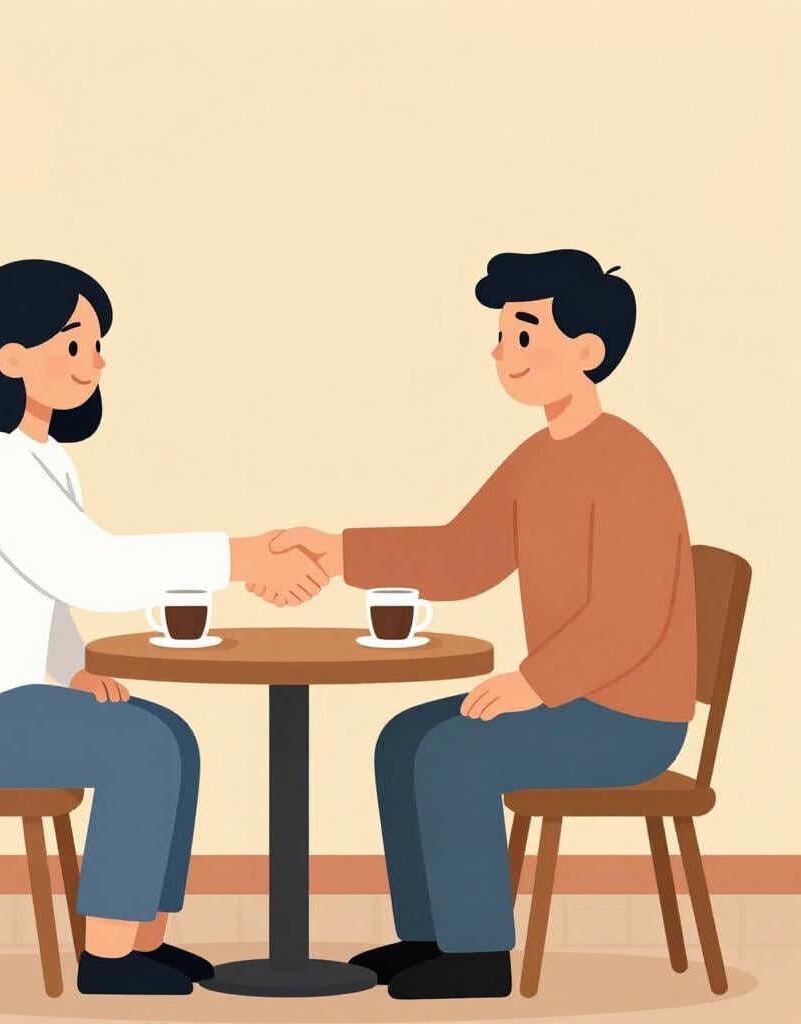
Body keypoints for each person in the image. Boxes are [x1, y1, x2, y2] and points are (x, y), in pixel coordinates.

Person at [263, 250, 696, 999]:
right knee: (406, 739)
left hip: (631, 717)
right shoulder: (538, 458)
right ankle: (429, 935)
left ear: (587, 352)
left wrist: (535, 682)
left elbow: (630, 615)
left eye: (525, 333)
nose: (503, 351)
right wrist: (336, 553)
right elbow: (464, 555)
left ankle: (478, 955)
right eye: (502, 335)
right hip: (574, 701)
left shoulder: (629, 461)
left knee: (455, 754)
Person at [0, 259, 326, 996]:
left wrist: (69, 673)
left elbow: (48, 589)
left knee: (169, 734)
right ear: (11, 359)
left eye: (96, 343)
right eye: (73, 343)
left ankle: (143, 937)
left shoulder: (44, 459)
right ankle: (108, 959)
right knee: (143, 746)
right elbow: (91, 571)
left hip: (9, 699)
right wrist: (243, 556)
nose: (93, 359)